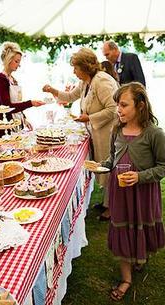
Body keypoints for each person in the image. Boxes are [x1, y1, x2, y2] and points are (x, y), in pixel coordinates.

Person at [98, 82, 165, 300]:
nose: (118, 110)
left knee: (140, 226)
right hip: (120, 193)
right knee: (122, 228)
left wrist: (140, 177)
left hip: (143, 195)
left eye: (123, 105)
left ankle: (140, 256)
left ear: (140, 105)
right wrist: (100, 166)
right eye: (117, 105)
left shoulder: (154, 134)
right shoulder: (117, 130)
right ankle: (126, 278)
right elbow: (113, 158)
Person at [43, 48, 119, 220]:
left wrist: (89, 117)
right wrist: (52, 90)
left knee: (109, 168)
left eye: (75, 68)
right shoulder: (86, 81)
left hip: (109, 132)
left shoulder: (101, 81)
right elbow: (70, 96)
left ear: (85, 67)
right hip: (98, 131)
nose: (73, 71)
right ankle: (106, 204)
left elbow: (114, 109)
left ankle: (112, 209)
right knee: (104, 167)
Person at [0, 42, 45, 138]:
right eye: (16, 61)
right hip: (4, 127)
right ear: (8, 60)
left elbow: (16, 103)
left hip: (16, 123)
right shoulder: (0, 79)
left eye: (19, 62)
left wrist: (24, 118)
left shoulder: (13, 79)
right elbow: (7, 107)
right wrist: (30, 103)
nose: (19, 65)